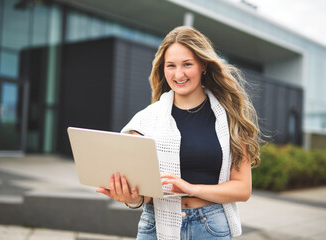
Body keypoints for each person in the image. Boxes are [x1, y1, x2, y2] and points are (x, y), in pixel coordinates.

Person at [97, 26, 261, 240]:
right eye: (171, 66)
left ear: (203, 65)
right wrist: (131, 197)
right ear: (163, 69)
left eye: (187, 64)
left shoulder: (229, 118)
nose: (178, 74)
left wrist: (192, 189)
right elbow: (144, 193)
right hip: (155, 227)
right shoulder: (145, 120)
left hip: (210, 227)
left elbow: (242, 189)